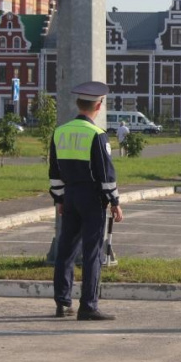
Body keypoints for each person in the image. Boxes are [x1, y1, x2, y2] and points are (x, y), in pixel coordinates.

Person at [48, 81, 124, 321]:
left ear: (78, 104)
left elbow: (54, 172)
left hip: (69, 196)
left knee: (66, 251)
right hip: (92, 199)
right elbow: (105, 173)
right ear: (98, 105)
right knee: (92, 253)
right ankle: (88, 306)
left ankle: (62, 303)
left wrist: (59, 199)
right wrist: (115, 201)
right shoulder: (97, 135)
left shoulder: (59, 132)